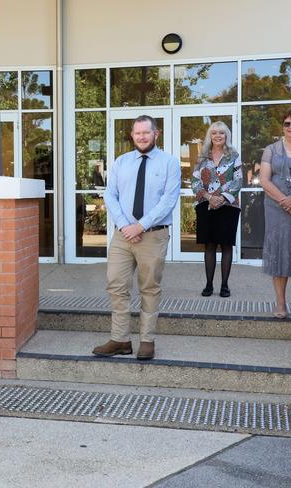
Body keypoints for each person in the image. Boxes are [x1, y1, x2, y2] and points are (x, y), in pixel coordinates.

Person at [93, 115, 180, 360]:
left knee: (149, 288)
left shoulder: (169, 163)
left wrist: (139, 226)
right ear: (132, 135)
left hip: (153, 235)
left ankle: (146, 340)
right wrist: (124, 225)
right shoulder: (121, 162)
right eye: (137, 133)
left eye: (146, 132)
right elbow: (110, 195)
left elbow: (168, 201)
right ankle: (120, 339)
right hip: (123, 236)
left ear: (156, 134)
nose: (142, 136)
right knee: (116, 285)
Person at [259, 108, 291, 319]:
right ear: (282, 127)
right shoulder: (271, 149)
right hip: (276, 210)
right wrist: (285, 202)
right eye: (287, 124)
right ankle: (280, 303)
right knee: (279, 255)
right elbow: (264, 180)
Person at [191, 121, 243, 298]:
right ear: (210, 136)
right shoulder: (202, 157)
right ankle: (208, 285)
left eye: (221, 133)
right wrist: (209, 197)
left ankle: (225, 285)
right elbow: (195, 182)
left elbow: (238, 180)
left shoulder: (234, 156)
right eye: (214, 133)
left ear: (226, 135)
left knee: (226, 245)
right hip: (206, 205)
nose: (218, 136)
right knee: (210, 245)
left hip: (228, 205)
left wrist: (221, 198)